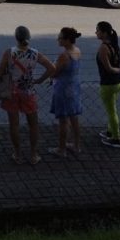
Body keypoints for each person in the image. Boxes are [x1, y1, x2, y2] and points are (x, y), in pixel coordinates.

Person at [0, 25, 55, 165]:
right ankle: (33, 154)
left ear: (16, 38)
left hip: (12, 92)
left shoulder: (9, 53)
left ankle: (17, 154)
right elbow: (52, 68)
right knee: (33, 124)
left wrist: (0, 83)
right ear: (29, 38)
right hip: (28, 91)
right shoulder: (35, 53)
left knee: (14, 125)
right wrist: (39, 80)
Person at [48, 27, 83, 158]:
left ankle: (61, 149)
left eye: (60, 37)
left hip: (63, 89)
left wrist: (52, 66)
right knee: (74, 118)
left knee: (63, 120)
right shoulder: (77, 51)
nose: (58, 39)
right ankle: (76, 145)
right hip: (74, 87)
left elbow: (55, 72)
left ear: (67, 40)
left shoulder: (64, 55)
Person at [96, 21, 120, 149]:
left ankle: (116, 138)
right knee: (112, 108)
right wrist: (119, 70)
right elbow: (119, 63)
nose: (96, 32)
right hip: (119, 82)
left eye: (98, 30)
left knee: (111, 111)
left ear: (104, 33)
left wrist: (117, 70)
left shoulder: (103, 48)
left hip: (108, 84)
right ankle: (110, 131)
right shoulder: (114, 45)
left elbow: (108, 68)